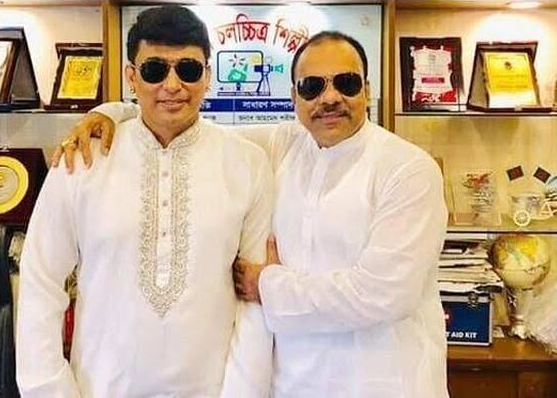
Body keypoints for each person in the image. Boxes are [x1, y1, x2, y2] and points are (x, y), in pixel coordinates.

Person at [57, 30, 449, 398]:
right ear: (294, 96)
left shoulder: (407, 170)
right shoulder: (284, 145)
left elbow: (382, 295)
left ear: (368, 89)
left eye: (346, 83)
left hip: (384, 382)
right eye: (312, 86)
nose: (329, 98)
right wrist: (111, 112)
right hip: (293, 384)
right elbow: (184, 121)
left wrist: (268, 285)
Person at [17, 6, 273, 398]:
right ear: (131, 77)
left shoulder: (248, 162)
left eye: (188, 70)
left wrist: (243, 392)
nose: (173, 85)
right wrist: (49, 390)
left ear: (208, 76)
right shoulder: (82, 160)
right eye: (155, 70)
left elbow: (253, 301)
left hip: (212, 389)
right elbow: (41, 279)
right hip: (99, 388)